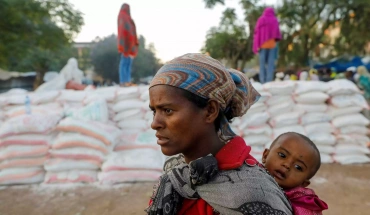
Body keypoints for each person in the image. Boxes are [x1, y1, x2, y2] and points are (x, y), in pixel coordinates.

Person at [146, 53, 293, 215]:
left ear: (210, 111)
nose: (155, 124)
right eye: (154, 111)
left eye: (167, 110)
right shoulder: (177, 170)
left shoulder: (252, 191)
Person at [262, 132, 328, 215]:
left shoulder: (304, 206)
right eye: (282, 155)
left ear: (304, 183)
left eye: (298, 167)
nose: (287, 165)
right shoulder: (247, 175)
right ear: (265, 155)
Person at [253, 7, 282, 84]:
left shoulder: (261, 19)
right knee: (270, 64)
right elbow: (277, 32)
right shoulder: (274, 19)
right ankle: (268, 81)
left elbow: (257, 32)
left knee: (262, 64)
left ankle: (262, 81)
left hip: (262, 45)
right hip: (272, 45)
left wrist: (257, 44)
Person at [117, 3, 139, 87]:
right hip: (125, 42)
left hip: (130, 43)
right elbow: (122, 30)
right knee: (124, 62)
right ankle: (123, 81)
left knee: (128, 62)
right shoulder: (122, 16)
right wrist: (123, 43)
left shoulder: (128, 18)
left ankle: (128, 80)